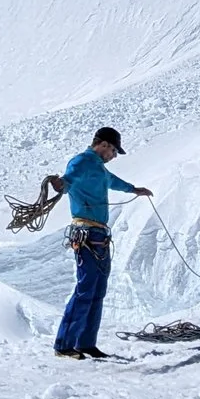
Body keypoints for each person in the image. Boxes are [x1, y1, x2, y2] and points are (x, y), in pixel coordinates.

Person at [45, 127, 151, 359]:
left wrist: (134, 189)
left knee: (97, 289)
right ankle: (63, 345)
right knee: (86, 288)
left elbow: (113, 181)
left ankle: (85, 342)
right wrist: (59, 184)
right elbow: (67, 182)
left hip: (99, 235)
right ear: (103, 145)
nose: (113, 156)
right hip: (86, 234)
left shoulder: (99, 169)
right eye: (113, 151)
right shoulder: (81, 162)